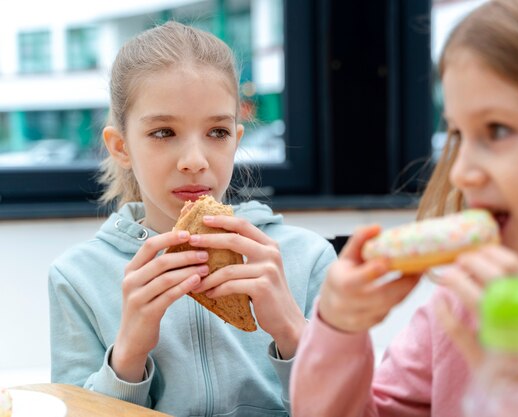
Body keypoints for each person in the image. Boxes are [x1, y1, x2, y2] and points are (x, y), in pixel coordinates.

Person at [290, 0, 518, 416]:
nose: (462, 172)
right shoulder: (460, 308)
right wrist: (338, 329)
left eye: (497, 130)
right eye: (456, 134)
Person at [48, 21, 336, 417]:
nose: (195, 162)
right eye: (164, 132)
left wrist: (291, 332)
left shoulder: (308, 258)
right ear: (121, 146)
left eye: (217, 132)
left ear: (236, 140)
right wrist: (128, 355)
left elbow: (351, 408)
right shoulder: (77, 278)